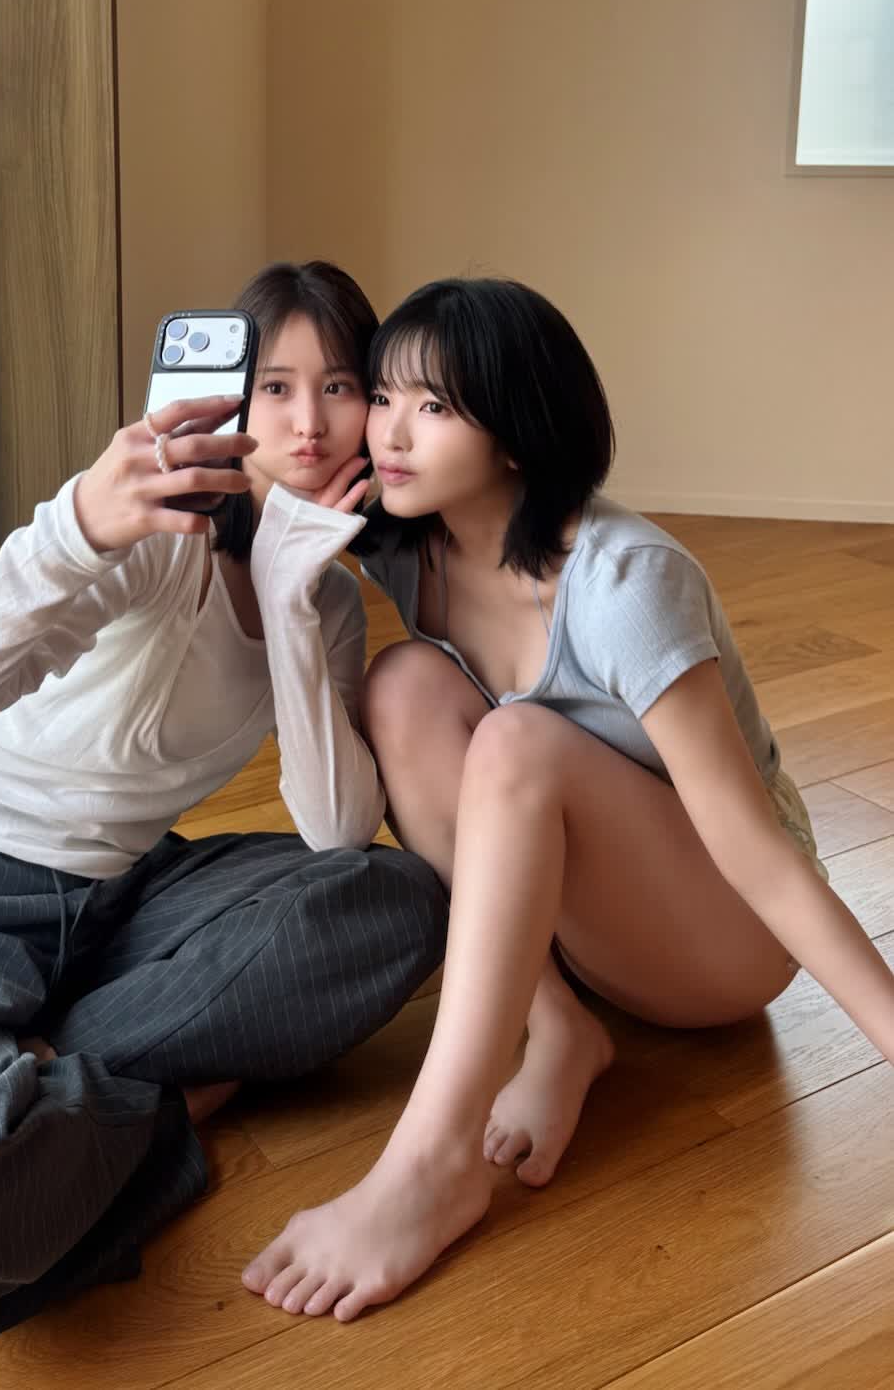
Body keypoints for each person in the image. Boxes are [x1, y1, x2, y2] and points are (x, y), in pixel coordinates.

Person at [0, 260, 449, 1339]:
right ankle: (165, 1097)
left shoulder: (326, 600)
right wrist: (79, 524)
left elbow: (334, 835)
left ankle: (28, 1083)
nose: (308, 421)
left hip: (121, 894)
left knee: (400, 899)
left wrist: (289, 596)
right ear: (229, 396)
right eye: (274, 386)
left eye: (338, 387)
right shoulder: (150, 534)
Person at [242, 275, 894, 1323]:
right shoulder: (410, 544)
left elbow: (756, 852)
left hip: (723, 941)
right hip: (588, 927)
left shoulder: (625, 583)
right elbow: (271, 479)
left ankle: (431, 1162)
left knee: (517, 741)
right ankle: (558, 1030)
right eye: (386, 395)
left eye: (434, 405)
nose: (389, 431)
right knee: (403, 686)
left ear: (516, 431)